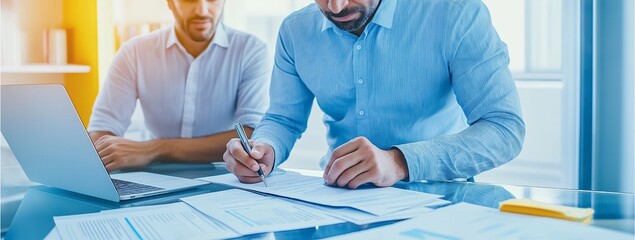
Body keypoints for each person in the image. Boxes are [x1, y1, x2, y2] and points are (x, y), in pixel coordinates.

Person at [224, 0, 525, 189]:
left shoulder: (456, 13)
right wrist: (265, 149)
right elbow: (283, 118)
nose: (336, 6)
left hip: (438, 198)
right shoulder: (294, 31)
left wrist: (399, 162)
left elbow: (503, 128)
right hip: (337, 201)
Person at [88, 0, 271, 172]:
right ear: (170, 3)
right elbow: (101, 132)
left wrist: (154, 149)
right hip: (154, 175)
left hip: (224, 176)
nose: (202, 10)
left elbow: (250, 135)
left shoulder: (250, 50)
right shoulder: (134, 53)